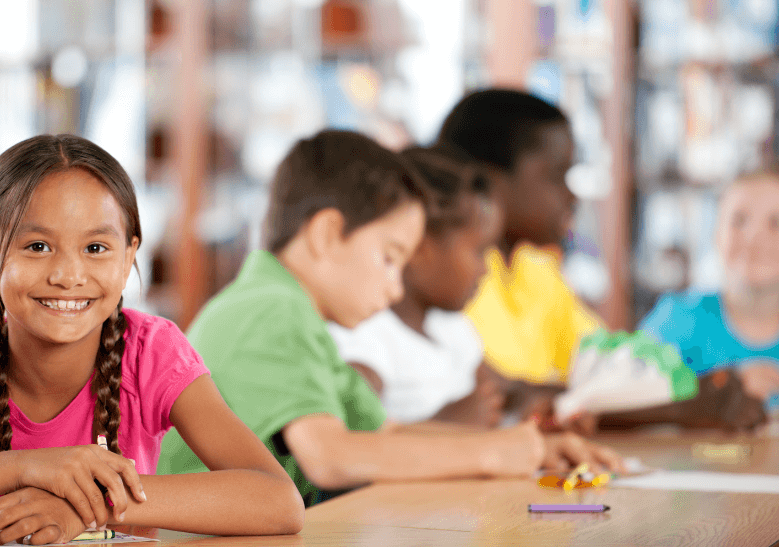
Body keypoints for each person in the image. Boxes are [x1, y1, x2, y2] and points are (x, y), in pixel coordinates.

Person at [0, 135, 303, 545]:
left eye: (96, 247)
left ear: (129, 260)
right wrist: (25, 467)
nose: (68, 274)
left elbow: (277, 501)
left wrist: (87, 506)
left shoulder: (152, 353)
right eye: (37, 246)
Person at [157, 130, 622, 506]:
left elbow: (382, 432)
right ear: (326, 234)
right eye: (389, 258)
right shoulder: (271, 309)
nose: (397, 287)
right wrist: (494, 452)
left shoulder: (294, 314)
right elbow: (330, 456)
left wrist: (530, 446)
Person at [436, 88, 765, 431]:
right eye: (557, 175)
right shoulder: (457, 274)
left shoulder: (536, 268)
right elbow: (509, 397)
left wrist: (691, 390)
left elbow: (605, 372)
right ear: (490, 182)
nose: (572, 195)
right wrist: (678, 406)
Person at [327, 145, 507, 426]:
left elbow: (503, 391)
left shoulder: (452, 327)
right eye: (479, 251)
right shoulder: (367, 336)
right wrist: (444, 426)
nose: (485, 270)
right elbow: (350, 440)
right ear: (418, 251)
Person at [641, 169, 779, 413]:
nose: (755, 237)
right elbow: (622, 399)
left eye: (775, 223)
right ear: (716, 234)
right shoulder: (676, 321)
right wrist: (718, 392)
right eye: (739, 220)